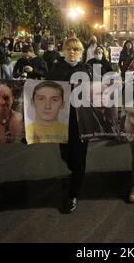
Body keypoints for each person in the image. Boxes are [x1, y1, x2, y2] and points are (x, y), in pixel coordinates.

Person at [46, 37, 92, 213]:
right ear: (64, 50)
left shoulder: (87, 70)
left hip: (82, 121)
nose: (72, 53)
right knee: (66, 154)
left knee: (80, 158)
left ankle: (73, 194)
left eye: (76, 50)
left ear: (81, 52)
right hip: (62, 120)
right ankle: (74, 171)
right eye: (69, 49)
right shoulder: (56, 70)